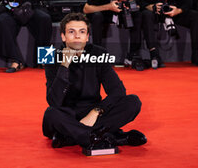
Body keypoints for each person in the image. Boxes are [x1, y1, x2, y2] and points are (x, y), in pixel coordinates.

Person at [42, 12, 147, 150]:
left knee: (133, 102)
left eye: (82, 32)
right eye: (71, 32)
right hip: (66, 114)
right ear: (63, 36)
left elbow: (118, 91)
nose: (77, 36)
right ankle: (109, 136)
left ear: (87, 37)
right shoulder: (49, 56)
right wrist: (64, 66)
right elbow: (53, 101)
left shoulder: (99, 53)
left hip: (95, 113)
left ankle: (72, 137)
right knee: (51, 114)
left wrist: (96, 112)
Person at [83, 0, 144, 70]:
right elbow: (86, 9)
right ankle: (98, 54)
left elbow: (139, 5)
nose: (120, 1)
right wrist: (108, 7)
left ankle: (132, 55)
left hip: (122, 13)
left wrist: (132, 6)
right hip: (105, 12)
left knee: (138, 15)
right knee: (97, 16)